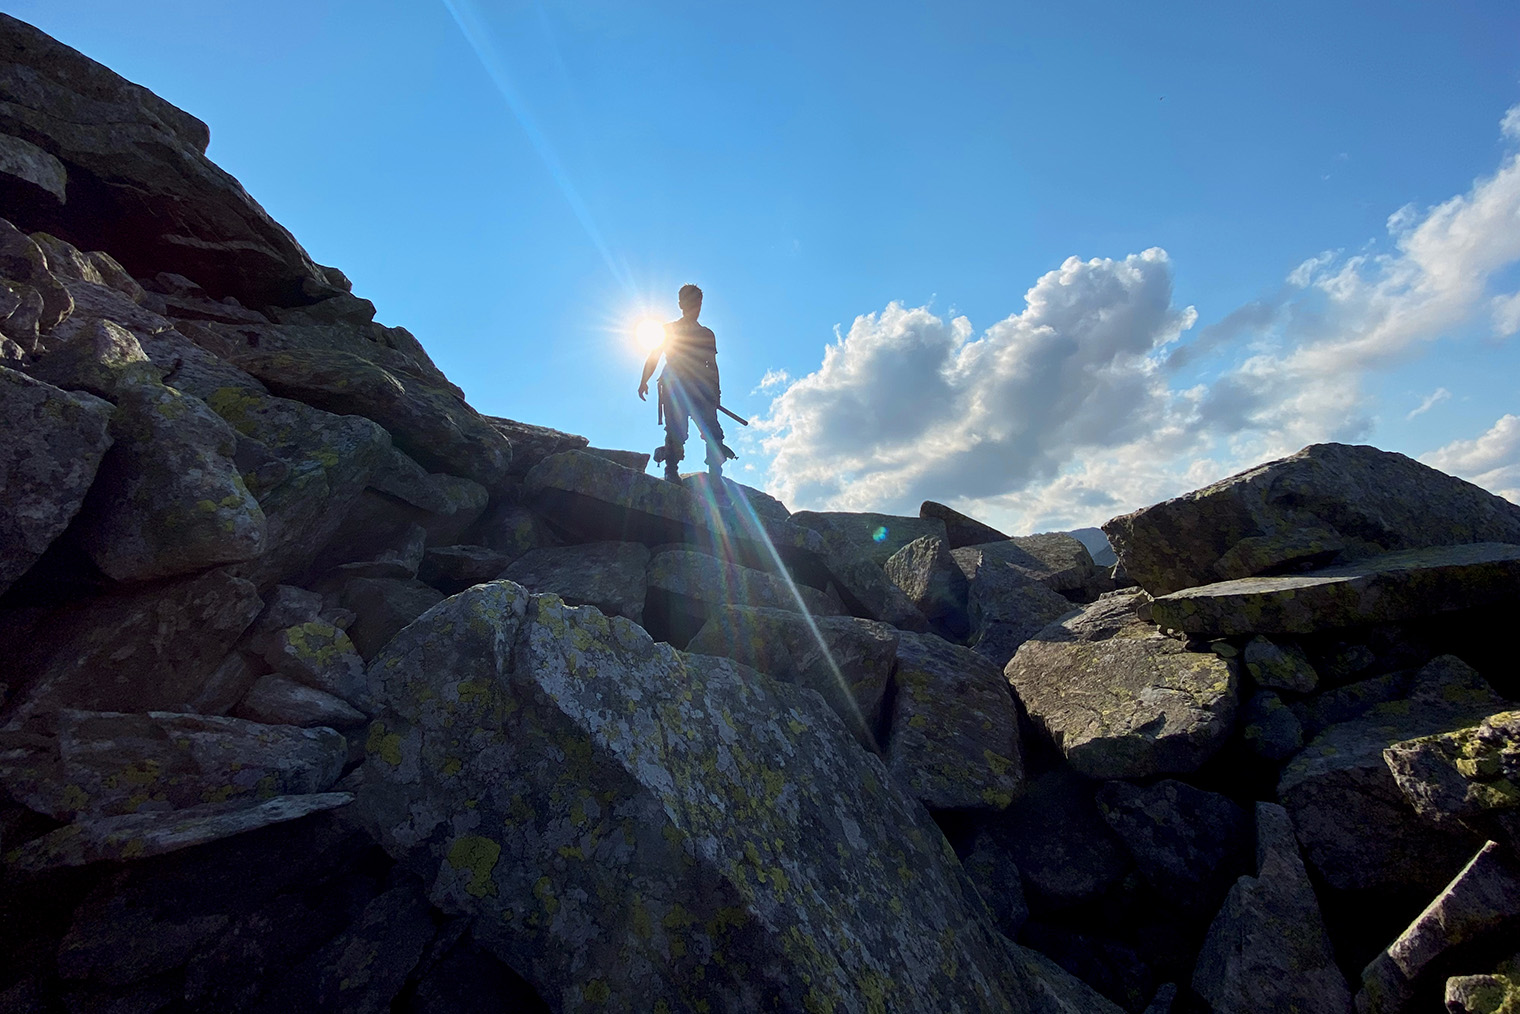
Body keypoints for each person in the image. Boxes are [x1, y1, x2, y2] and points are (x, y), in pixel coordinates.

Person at [637, 284, 734, 483]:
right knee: (676, 431)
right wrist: (644, 380)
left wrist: (716, 393)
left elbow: (712, 366)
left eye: (698, 304)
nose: (695, 308)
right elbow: (654, 356)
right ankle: (671, 470)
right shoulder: (669, 330)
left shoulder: (707, 334)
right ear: (681, 304)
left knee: (712, 431)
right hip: (675, 388)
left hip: (702, 390)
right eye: (691, 303)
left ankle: (715, 476)